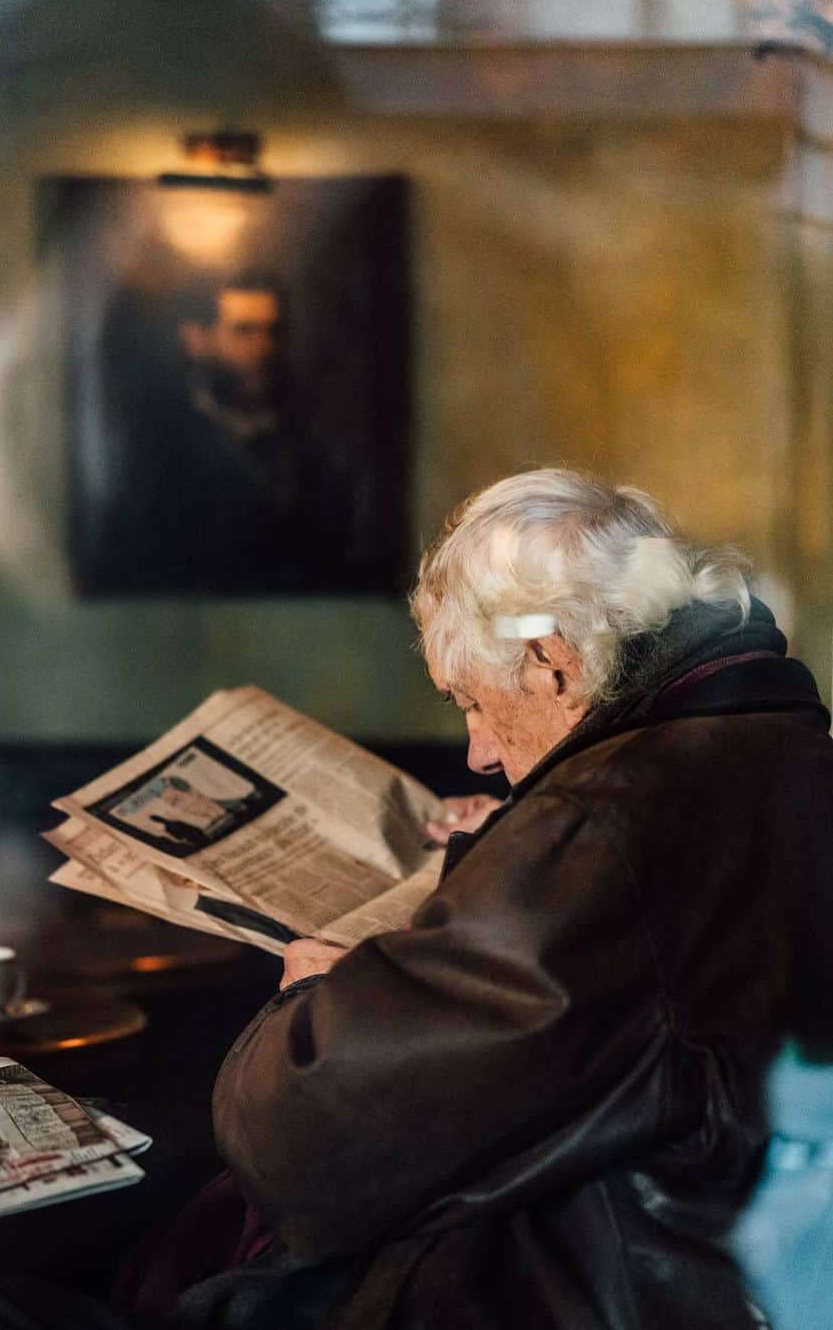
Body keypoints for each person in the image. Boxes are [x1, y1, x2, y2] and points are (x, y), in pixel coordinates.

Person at [180, 468, 833, 1328]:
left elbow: (310, 1142)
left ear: (550, 662)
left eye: (474, 705)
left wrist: (309, 994)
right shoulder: (778, 746)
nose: (479, 751)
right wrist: (517, 842)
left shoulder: (606, 819)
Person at [89, 272, 346, 594]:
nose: (264, 346)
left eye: (273, 331)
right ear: (197, 339)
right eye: (245, 331)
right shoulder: (159, 448)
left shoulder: (307, 442)